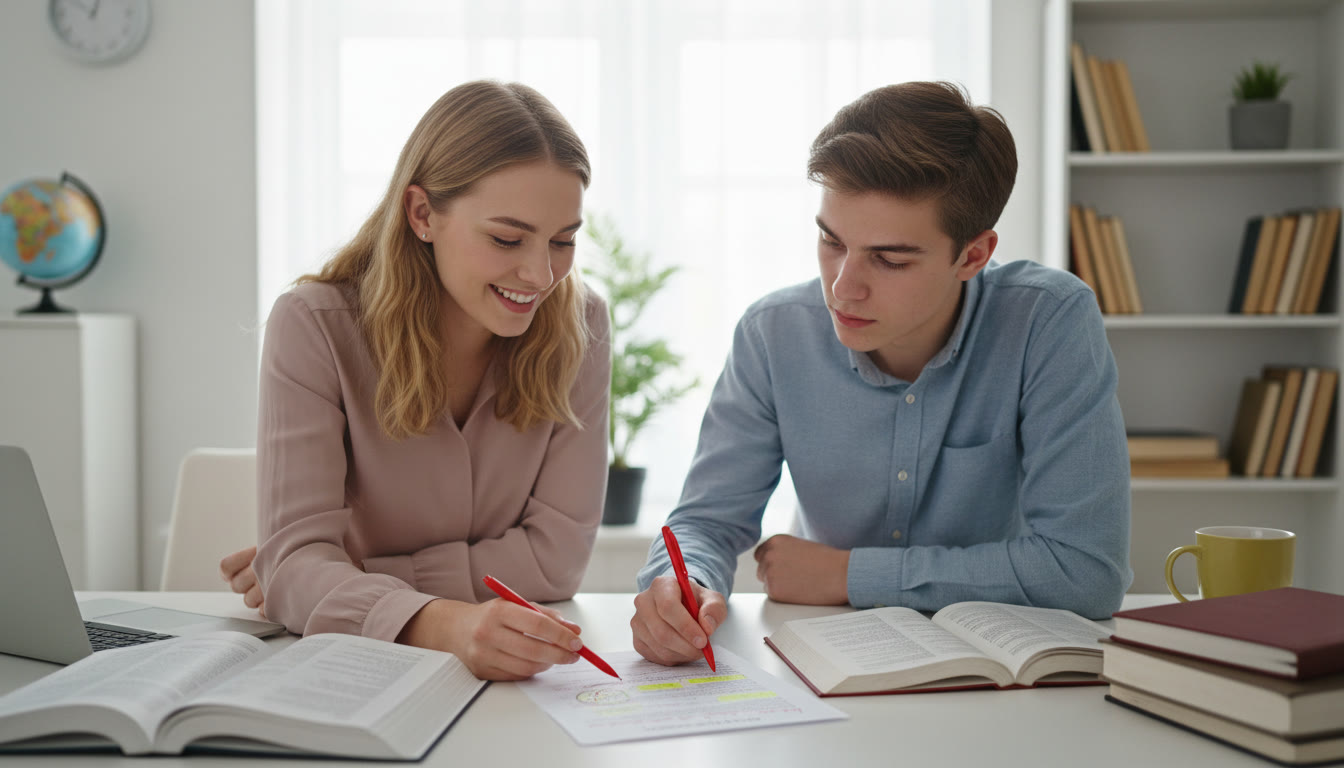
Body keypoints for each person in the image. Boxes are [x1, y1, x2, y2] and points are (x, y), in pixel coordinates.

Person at [630, 81, 1132, 667]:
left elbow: (1085, 570)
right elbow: (705, 522)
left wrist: (848, 574)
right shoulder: (773, 332)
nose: (843, 288)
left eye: (890, 259)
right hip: (821, 664)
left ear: (973, 255)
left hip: (997, 674)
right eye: (831, 240)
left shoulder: (1048, 320)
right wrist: (681, 583)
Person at [218, 80, 611, 681]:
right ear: (423, 214)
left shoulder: (582, 325)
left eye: (563, 241)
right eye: (507, 239)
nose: (541, 274)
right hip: (356, 676)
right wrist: (440, 623)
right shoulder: (315, 326)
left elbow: (556, 562)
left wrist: (345, 576)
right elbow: (297, 569)